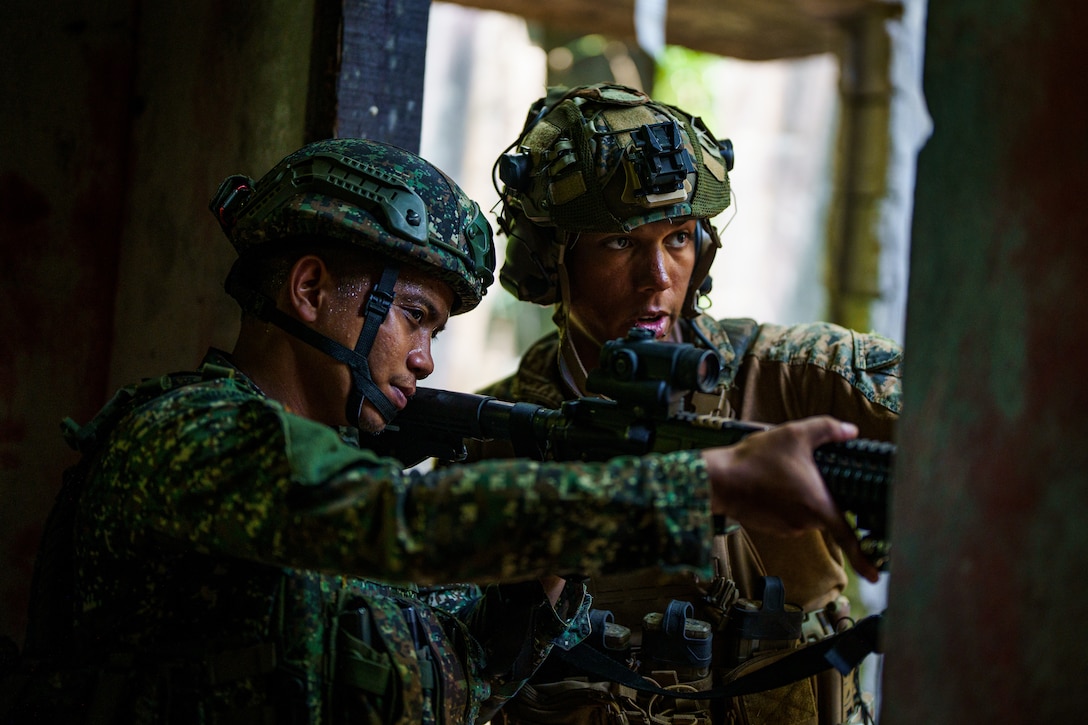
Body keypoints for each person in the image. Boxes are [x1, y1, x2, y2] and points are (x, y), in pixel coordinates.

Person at [2, 137, 875, 725]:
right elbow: (401, 522)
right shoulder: (190, 436)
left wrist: (541, 578)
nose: (424, 359)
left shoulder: (325, 489)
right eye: (413, 318)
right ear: (310, 291)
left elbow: (437, 685)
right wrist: (706, 486)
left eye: (437, 333)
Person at [469, 83, 901, 723]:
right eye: (619, 243)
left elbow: (980, 439)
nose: (658, 278)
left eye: (677, 239)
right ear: (553, 259)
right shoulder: (491, 436)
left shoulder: (792, 379)